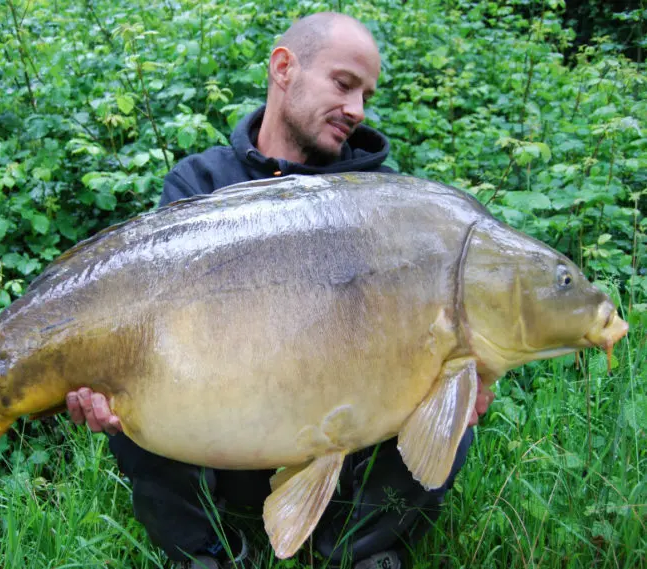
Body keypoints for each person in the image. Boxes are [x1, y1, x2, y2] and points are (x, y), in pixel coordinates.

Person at [65, 12, 495, 569]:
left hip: (349, 443)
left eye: (366, 93)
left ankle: (353, 548)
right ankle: (206, 552)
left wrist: (469, 373)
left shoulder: (386, 204)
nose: (357, 110)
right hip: (227, 437)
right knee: (130, 399)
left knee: (452, 411)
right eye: (344, 84)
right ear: (284, 68)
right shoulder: (200, 185)